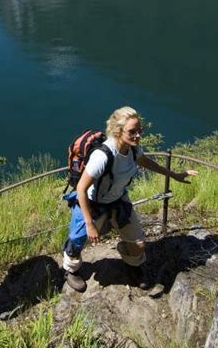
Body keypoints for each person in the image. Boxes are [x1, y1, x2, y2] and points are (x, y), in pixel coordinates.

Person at [62, 107, 198, 292]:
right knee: (77, 241)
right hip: (93, 203)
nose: (137, 135)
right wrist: (89, 223)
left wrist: (173, 175)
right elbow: (81, 189)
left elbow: (146, 162)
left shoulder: (133, 149)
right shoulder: (103, 156)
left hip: (118, 201)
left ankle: (131, 263)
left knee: (139, 244)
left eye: (139, 130)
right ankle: (71, 270)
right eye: (132, 132)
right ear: (118, 131)